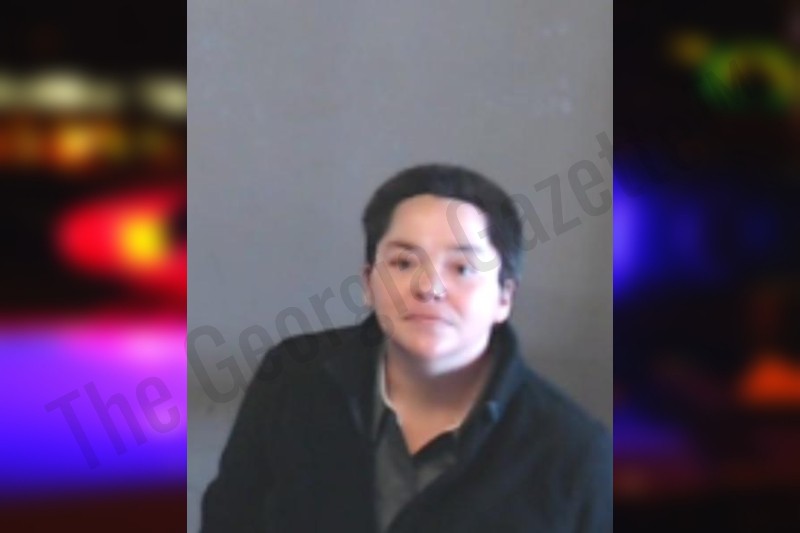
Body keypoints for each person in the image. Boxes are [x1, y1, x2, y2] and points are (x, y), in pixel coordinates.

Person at [201, 164, 612, 533]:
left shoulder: (574, 453)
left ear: (504, 297)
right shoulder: (292, 377)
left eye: (462, 268)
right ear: (368, 283)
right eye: (403, 263)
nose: (429, 287)